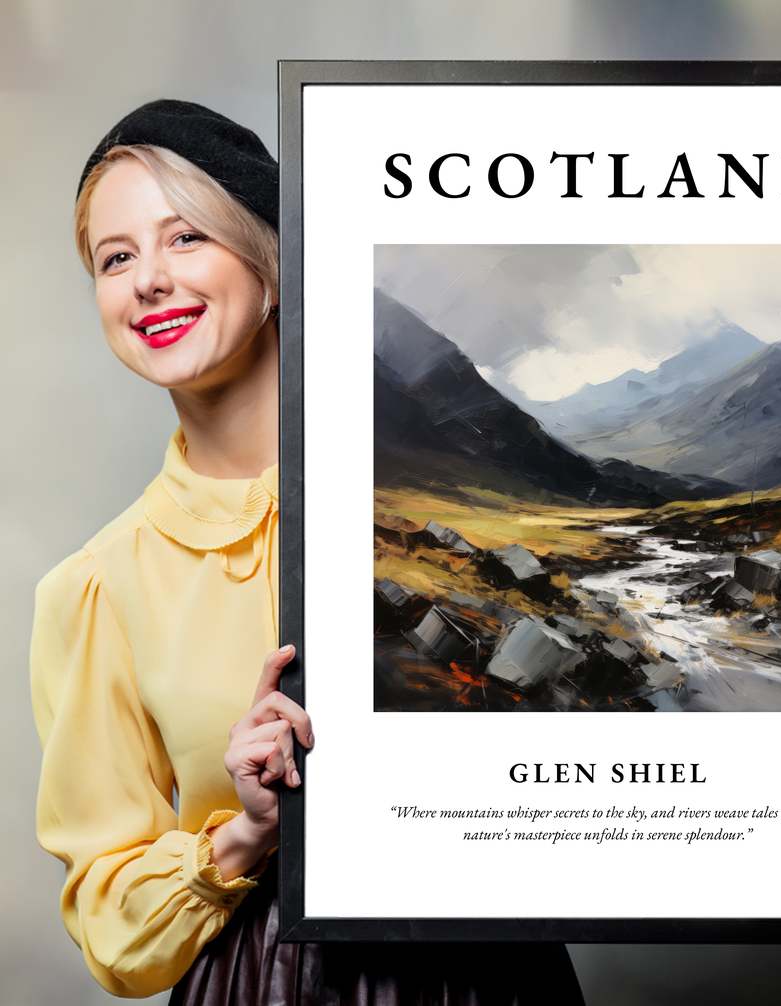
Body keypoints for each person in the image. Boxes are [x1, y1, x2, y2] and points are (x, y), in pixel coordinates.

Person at [30, 100, 585, 1004]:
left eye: (186, 239)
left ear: (273, 264)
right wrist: (245, 832)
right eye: (116, 257)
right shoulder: (97, 587)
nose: (148, 281)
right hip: (264, 981)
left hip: (494, 974)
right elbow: (110, 924)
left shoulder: (433, 511)